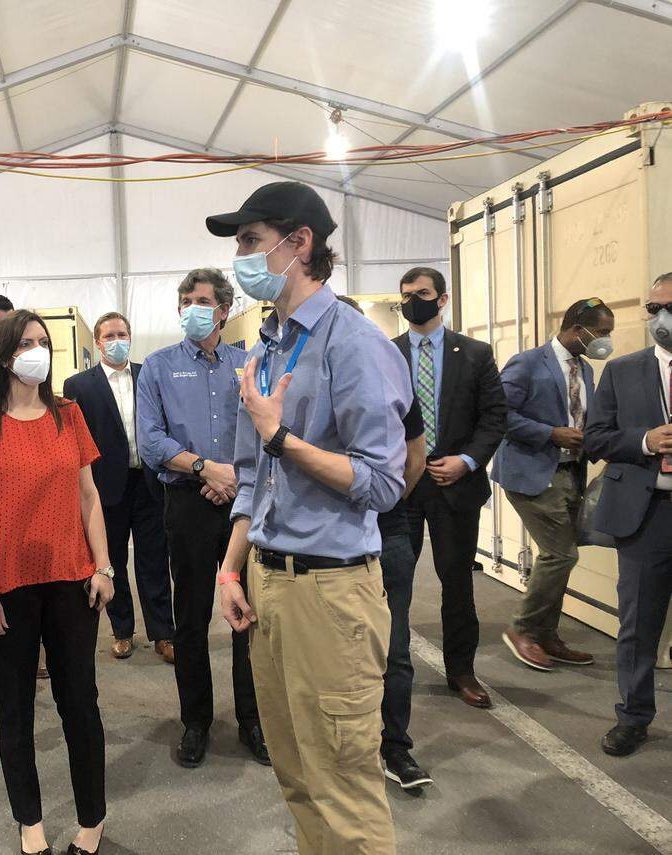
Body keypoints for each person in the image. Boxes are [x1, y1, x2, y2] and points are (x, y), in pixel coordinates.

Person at [210, 181, 409, 854]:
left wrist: (280, 438)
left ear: (298, 245)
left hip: (332, 591)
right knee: (298, 777)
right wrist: (231, 569)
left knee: (344, 787)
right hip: (269, 585)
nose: (239, 256)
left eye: (249, 241)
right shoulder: (266, 347)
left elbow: (382, 482)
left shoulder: (352, 343)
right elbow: (251, 481)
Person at [0, 309, 115, 855]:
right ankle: (29, 821)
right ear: (4, 354)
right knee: (14, 708)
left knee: (79, 702)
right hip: (8, 586)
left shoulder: (69, 414)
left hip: (71, 579)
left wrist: (104, 566)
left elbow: (89, 496)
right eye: (26, 343)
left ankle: (92, 818)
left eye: (44, 342)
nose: (38, 350)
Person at [136, 268, 267, 770]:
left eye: (204, 300)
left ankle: (253, 718)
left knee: (247, 614)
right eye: (187, 299)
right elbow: (150, 441)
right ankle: (196, 720)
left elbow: (264, 429)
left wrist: (233, 477)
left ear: (224, 309)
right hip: (188, 501)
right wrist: (205, 469)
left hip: (245, 502)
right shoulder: (159, 368)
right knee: (190, 618)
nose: (193, 307)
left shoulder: (249, 362)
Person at [395, 267, 507, 709]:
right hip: (402, 488)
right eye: (405, 296)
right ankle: (390, 665)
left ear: (442, 299)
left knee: (456, 582)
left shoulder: (475, 354)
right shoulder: (388, 353)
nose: (412, 302)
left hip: (455, 485)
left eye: (421, 294)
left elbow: (494, 416)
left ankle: (461, 670)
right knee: (393, 581)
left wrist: (467, 460)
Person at [492, 298, 615, 670]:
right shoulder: (528, 363)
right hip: (531, 473)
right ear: (579, 330)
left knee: (560, 558)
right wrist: (550, 433)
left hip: (570, 474)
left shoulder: (586, 370)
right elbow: (500, 414)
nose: (606, 340)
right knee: (561, 554)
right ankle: (524, 629)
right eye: (603, 332)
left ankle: (547, 635)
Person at [340, 295, 432, 790]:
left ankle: (395, 746)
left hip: (387, 532)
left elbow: (415, 454)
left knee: (393, 647)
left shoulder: (390, 377)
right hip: (331, 538)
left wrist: (383, 505)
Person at [585, 273, 672, 758]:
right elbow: (596, 437)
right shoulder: (621, 371)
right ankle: (634, 717)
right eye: (653, 307)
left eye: (669, 306)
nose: (661, 318)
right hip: (648, 515)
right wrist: (643, 441)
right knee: (639, 625)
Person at [64, 312, 175, 663]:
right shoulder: (79, 385)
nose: (116, 340)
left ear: (131, 336)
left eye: (122, 333)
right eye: (109, 335)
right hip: (105, 487)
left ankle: (163, 633)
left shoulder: (149, 375)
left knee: (154, 560)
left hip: (149, 482)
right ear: (97, 342)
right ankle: (122, 631)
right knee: (113, 561)